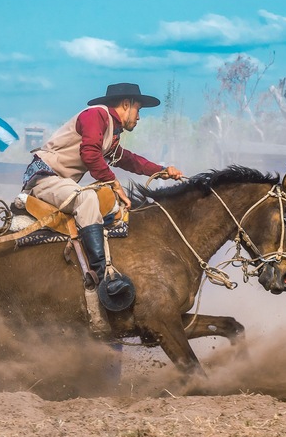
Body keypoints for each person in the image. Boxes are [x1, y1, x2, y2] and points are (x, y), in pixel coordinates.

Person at [22, 83, 183, 307]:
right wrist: (114, 183)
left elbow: (129, 160)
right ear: (126, 105)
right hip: (44, 179)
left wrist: (161, 171)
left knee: (113, 205)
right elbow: (90, 154)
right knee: (87, 198)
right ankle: (104, 278)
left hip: (60, 182)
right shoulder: (95, 115)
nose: (139, 117)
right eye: (138, 110)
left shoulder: (110, 131)